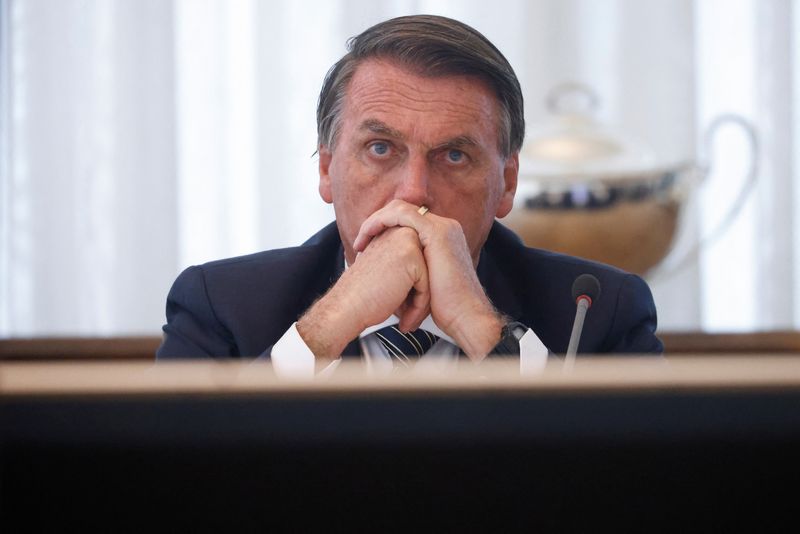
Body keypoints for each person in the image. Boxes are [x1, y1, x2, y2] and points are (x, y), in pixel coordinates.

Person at [156, 14, 663, 373]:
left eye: (455, 156)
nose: (414, 192)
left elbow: (627, 494)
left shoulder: (598, 312)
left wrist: (486, 332)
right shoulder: (221, 306)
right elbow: (175, 488)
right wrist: (327, 330)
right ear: (328, 169)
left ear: (506, 183)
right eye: (380, 148)